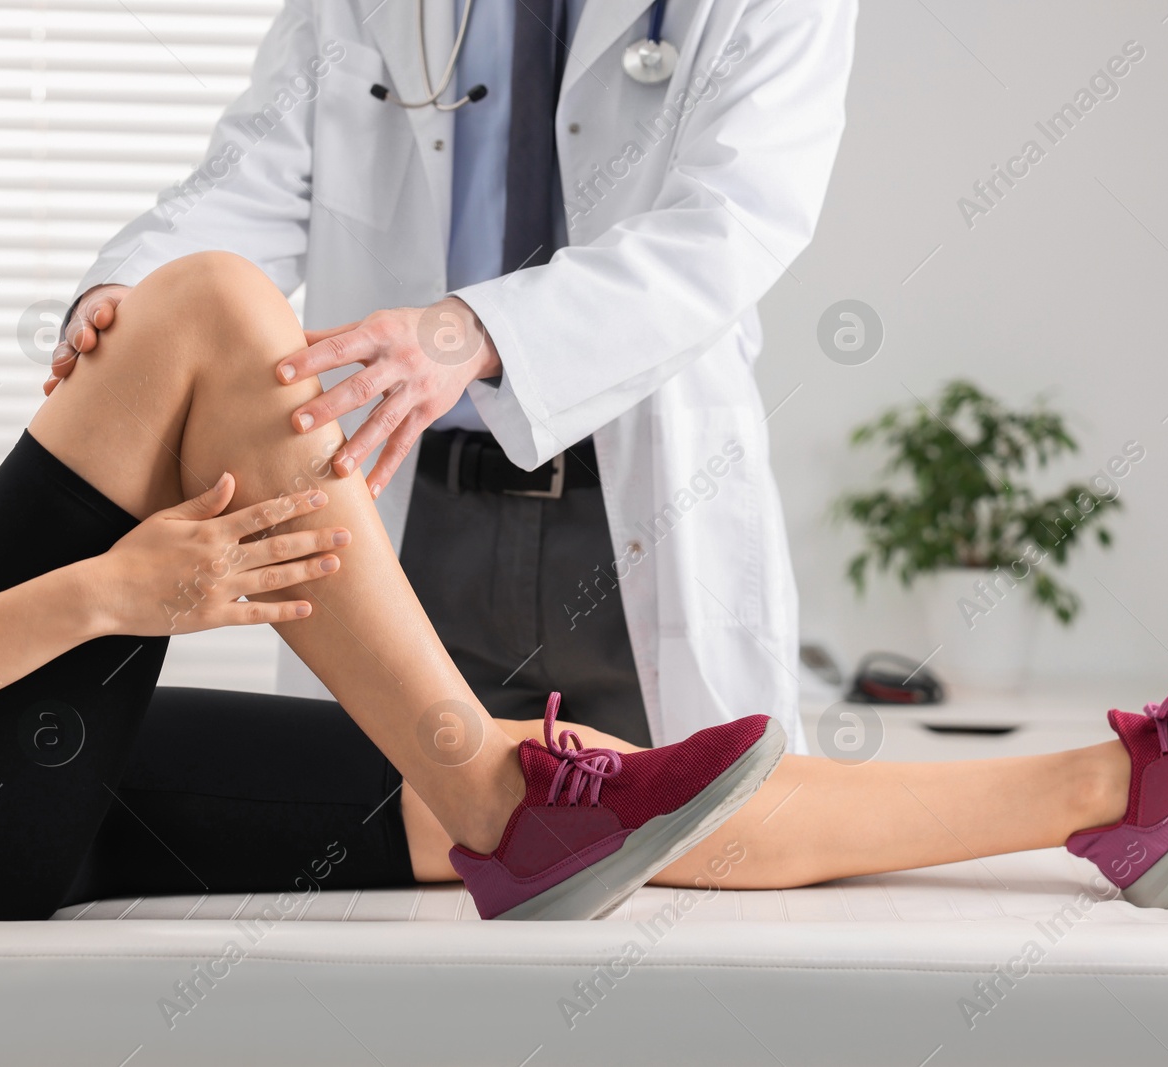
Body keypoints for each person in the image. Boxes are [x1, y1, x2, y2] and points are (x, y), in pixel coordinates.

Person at [0, 254, 1168, 924]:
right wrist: (107, 596)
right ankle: (511, 810)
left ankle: (1116, 788)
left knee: (581, 789)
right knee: (207, 305)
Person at [44, 0, 859, 753]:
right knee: (374, 857)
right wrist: (138, 291)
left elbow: (736, 219)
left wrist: (479, 331)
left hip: (639, 515)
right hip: (409, 520)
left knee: (692, 862)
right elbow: (255, 173)